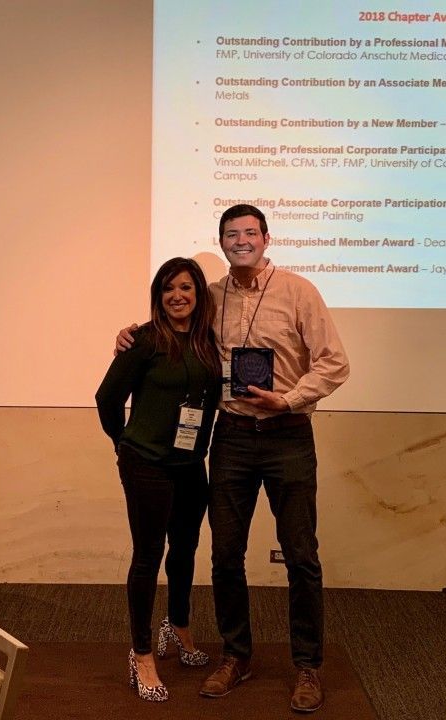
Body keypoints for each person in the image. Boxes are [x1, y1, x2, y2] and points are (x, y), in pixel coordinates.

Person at [117, 205, 349, 713]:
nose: (241, 240)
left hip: (288, 436)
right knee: (225, 555)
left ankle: (307, 665)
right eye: (231, 234)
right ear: (222, 241)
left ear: (266, 238)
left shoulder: (299, 291)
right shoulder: (211, 296)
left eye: (250, 233)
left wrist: (289, 399)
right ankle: (236, 655)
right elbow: (174, 322)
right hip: (232, 438)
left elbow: (335, 362)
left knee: (301, 555)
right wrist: (132, 335)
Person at [96, 257, 221, 702]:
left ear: (199, 293)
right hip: (146, 464)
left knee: (185, 549)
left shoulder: (210, 342)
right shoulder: (144, 341)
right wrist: (125, 443)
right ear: (158, 296)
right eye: (168, 288)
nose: (177, 296)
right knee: (149, 555)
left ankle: (179, 624)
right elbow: (106, 398)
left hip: (191, 464)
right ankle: (142, 652)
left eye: (185, 287)